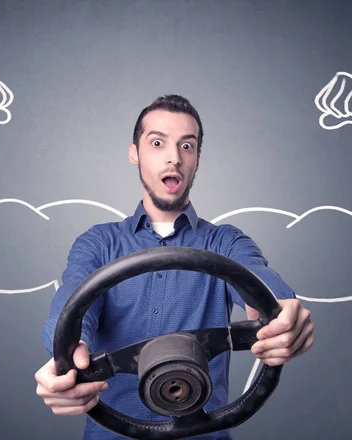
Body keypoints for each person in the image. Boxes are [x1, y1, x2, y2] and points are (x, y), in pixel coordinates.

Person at [35, 95, 315, 439]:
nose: (174, 157)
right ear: (134, 153)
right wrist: (65, 352)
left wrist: (284, 312)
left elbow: (261, 282)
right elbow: (73, 304)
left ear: (197, 159)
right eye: (157, 143)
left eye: (187, 145)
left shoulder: (225, 242)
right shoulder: (98, 243)